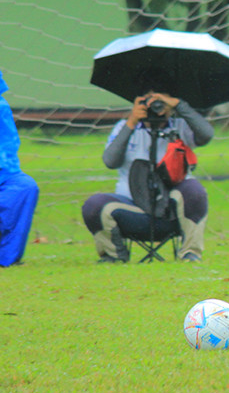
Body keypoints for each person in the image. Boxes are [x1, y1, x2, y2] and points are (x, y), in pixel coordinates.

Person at [81, 90, 213, 263]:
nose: (155, 106)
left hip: (172, 215)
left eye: (160, 100)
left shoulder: (180, 126)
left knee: (194, 190)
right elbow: (110, 161)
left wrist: (179, 105)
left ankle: (190, 254)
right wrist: (132, 121)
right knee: (94, 205)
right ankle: (113, 256)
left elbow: (206, 134)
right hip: (132, 212)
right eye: (149, 99)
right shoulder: (124, 127)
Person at [0, 70, 39, 267]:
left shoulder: (0, 107)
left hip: (4, 173)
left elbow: (8, 146)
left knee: (25, 187)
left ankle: (6, 257)